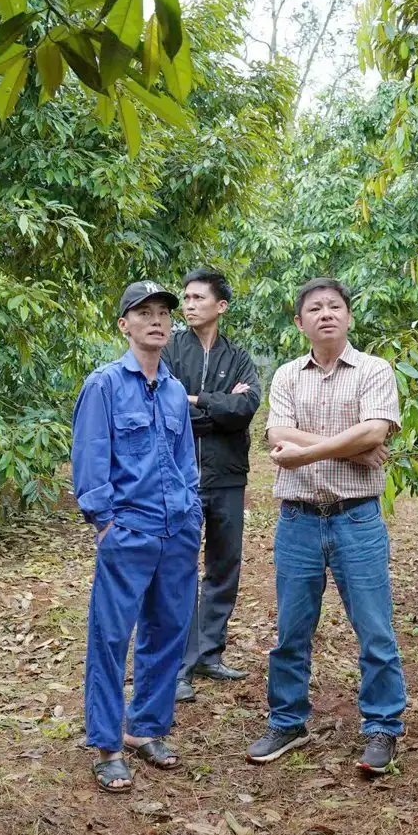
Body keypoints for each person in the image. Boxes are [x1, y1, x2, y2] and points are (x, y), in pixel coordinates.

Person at [248, 277, 405, 777]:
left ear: (349, 316)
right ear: (300, 323)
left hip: (357, 517)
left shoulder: (375, 370)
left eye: (334, 307)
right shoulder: (288, 376)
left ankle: (382, 726)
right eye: (314, 309)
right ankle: (287, 719)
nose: (326, 315)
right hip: (297, 520)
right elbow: (276, 433)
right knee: (291, 630)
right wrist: (352, 445)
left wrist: (309, 451)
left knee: (375, 629)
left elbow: (376, 430)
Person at [72, 280, 204, 793]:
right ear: (124, 324)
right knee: (110, 637)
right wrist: (106, 524)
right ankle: (106, 745)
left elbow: (185, 459)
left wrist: (191, 511)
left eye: (163, 314)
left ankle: (145, 729)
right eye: (143, 312)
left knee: (168, 631)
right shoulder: (104, 385)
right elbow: (89, 459)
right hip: (128, 529)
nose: (156, 321)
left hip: (177, 530)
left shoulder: (173, 390)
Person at [162, 268, 262, 704]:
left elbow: (246, 408)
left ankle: (209, 653)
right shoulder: (168, 351)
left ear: (220, 306)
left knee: (224, 565)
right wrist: (217, 412)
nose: (188, 304)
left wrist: (197, 401)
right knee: (181, 569)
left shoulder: (238, 357)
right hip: (180, 476)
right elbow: (165, 408)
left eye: (198, 297)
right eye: (185, 297)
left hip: (227, 476)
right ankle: (179, 665)